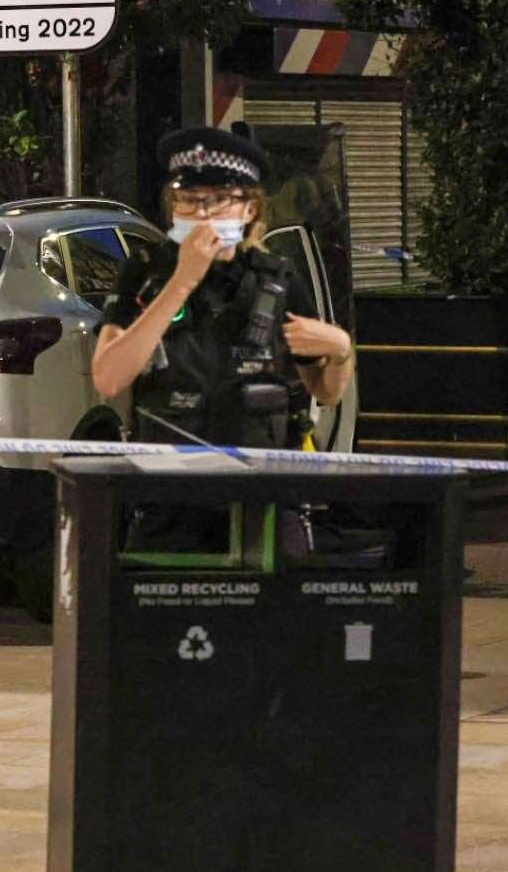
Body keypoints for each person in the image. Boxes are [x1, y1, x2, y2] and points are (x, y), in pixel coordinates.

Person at [91, 126, 353, 559]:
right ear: (172, 206)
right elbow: (108, 378)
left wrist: (340, 349)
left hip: (263, 495)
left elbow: (325, 391)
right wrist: (182, 281)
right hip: (168, 500)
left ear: (249, 207)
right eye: (189, 199)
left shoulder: (276, 279)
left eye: (218, 199)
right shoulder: (145, 274)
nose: (203, 212)